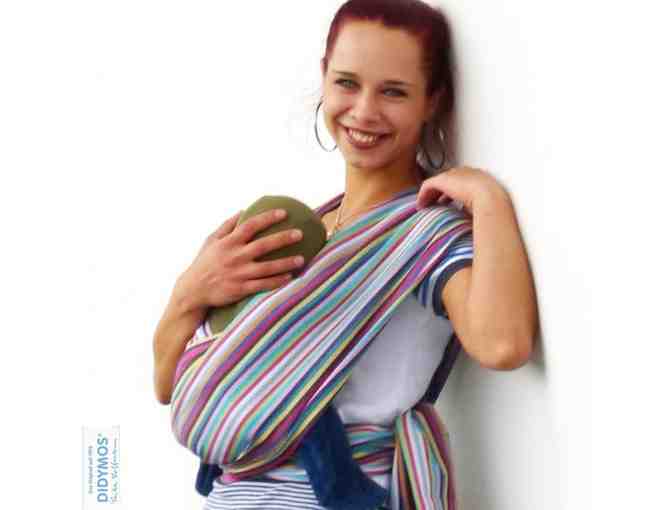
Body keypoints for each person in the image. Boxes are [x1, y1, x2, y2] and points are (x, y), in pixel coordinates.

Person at [152, 1, 539, 509]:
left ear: (433, 101)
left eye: (394, 91)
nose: (364, 111)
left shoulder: (425, 236)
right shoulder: (297, 231)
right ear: (324, 77)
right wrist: (188, 294)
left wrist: (488, 199)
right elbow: (171, 387)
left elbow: (503, 345)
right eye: (347, 83)